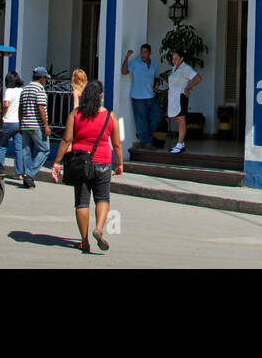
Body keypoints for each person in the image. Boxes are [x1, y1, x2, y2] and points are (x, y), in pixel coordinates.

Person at [51, 79, 123, 253]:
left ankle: (84, 241)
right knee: (103, 198)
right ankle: (98, 228)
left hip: (81, 163)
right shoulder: (109, 116)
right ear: (101, 96)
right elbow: (117, 144)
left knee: (82, 202)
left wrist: (57, 162)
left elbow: (66, 139)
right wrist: (119, 163)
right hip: (103, 162)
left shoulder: (75, 114)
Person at [18, 66, 52, 188]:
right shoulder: (39, 89)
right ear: (42, 78)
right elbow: (41, 108)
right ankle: (29, 173)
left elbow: (20, 108)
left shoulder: (25, 89)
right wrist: (46, 125)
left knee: (26, 151)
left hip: (26, 124)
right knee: (44, 149)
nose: (45, 81)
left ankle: (27, 178)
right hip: (36, 125)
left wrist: (20, 123)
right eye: (45, 78)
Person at [122, 45, 159, 150]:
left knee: (157, 116)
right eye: (141, 52)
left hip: (151, 96)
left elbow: (157, 77)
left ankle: (144, 135)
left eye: (145, 52)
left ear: (150, 53)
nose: (143, 54)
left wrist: (156, 85)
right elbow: (124, 72)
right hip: (138, 97)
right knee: (141, 120)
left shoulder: (154, 65)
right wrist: (127, 57)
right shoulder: (135, 62)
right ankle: (147, 142)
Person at [164, 50, 200, 155]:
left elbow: (198, 78)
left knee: (181, 119)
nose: (173, 60)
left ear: (181, 58)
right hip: (173, 97)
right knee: (177, 118)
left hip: (180, 96)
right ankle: (181, 143)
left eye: (176, 58)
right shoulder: (174, 68)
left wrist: (188, 88)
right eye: (172, 58)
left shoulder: (186, 68)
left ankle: (179, 144)